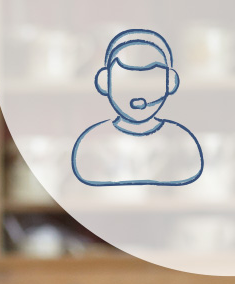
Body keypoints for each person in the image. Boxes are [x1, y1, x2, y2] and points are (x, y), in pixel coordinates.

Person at [72, 29, 203, 186]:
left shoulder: (184, 139)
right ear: (103, 83)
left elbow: (188, 176)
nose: (138, 101)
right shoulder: (91, 139)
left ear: (171, 83)